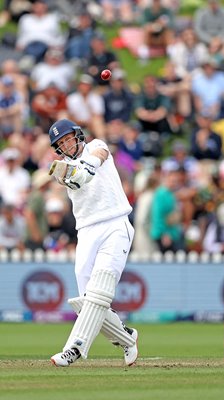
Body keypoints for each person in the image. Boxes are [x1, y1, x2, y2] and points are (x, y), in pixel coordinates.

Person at [48, 118, 138, 367]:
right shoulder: (62, 169)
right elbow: (73, 178)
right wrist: (76, 172)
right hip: (86, 231)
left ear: (77, 136)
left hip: (115, 224)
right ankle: (127, 338)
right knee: (86, 301)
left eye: (68, 139)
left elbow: (100, 154)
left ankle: (74, 349)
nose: (66, 145)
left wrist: (87, 167)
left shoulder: (95, 145)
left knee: (101, 289)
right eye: (61, 144)